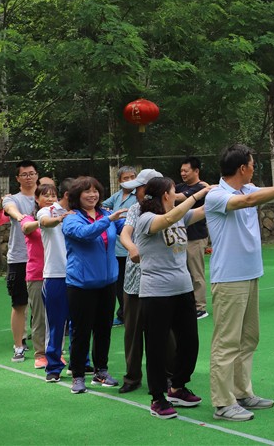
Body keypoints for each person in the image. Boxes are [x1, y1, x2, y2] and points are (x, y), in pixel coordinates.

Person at [204, 143, 274, 422]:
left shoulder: (247, 189)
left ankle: (242, 392)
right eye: (252, 165)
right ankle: (223, 402)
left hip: (250, 275)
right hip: (229, 279)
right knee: (227, 342)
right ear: (242, 168)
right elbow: (249, 201)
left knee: (249, 338)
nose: (254, 170)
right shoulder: (216, 195)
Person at [131, 177, 212, 419]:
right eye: (174, 191)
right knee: (156, 347)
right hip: (156, 293)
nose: (177, 194)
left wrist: (226, 192)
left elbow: (204, 211)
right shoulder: (146, 219)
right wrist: (196, 195)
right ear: (165, 195)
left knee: (189, 342)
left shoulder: (179, 216)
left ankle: (178, 387)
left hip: (183, 290)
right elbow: (167, 220)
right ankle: (158, 398)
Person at [62, 176, 129, 394]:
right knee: (81, 332)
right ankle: (78, 375)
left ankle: (101, 371)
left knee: (103, 330)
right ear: (77, 196)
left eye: (95, 191)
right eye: (87, 191)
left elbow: (127, 229)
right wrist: (108, 220)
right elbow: (85, 234)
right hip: (81, 285)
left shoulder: (106, 214)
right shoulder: (71, 218)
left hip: (107, 283)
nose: (93, 195)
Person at [116, 168, 166, 395]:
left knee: (164, 333)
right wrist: (132, 247)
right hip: (134, 279)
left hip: (161, 281)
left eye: (139, 187)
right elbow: (125, 233)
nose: (136, 192)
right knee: (133, 332)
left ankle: (167, 376)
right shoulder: (136, 209)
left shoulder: (169, 209)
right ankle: (132, 376)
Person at [0, 160, 39, 363]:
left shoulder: (46, 197)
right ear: (18, 178)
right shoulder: (12, 199)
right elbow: (10, 209)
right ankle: (19, 346)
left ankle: (45, 347)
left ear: (37, 175)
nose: (28, 177)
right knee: (19, 304)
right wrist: (23, 218)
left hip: (43, 258)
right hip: (19, 259)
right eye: (24, 174)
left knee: (44, 305)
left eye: (31, 173)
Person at [37, 178, 74, 382]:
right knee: (56, 323)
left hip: (78, 275)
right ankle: (53, 366)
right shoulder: (47, 211)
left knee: (80, 322)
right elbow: (44, 222)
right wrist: (61, 218)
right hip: (55, 275)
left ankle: (79, 363)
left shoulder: (80, 212)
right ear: (68, 195)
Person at [22, 183, 57, 369]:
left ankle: (55, 352)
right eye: (46, 195)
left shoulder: (60, 218)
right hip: (37, 274)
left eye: (53, 195)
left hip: (57, 273)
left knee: (56, 316)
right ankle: (40, 354)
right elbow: (26, 228)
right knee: (39, 317)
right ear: (37, 199)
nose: (50, 199)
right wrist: (42, 221)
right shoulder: (29, 218)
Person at [175, 157, 211, 318]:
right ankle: (187, 305)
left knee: (196, 273)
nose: (183, 173)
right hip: (180, 237)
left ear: (196, 171)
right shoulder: (180, 187)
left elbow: (179, 198)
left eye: (186, 171)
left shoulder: (202, 187)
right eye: (181, 171)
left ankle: (200, 307)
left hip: (196, 237)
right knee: (182, 272)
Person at [102, 166, 137, 326]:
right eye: (125, 178)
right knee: (118, 283)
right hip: (116, 248)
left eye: (132, 177)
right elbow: (101, 206)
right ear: (119, 181)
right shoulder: (116, 196)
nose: (129, 181)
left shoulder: (139, 195)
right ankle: (123, 313)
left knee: (131, 281)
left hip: (131, 247)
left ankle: (130, 313)